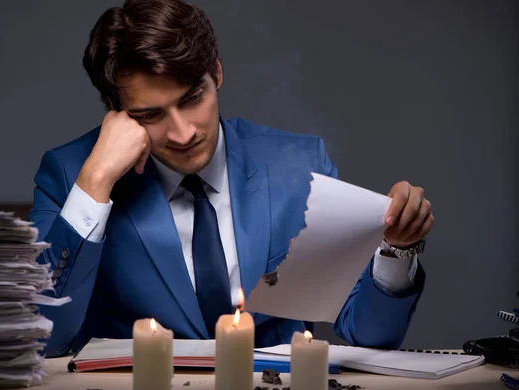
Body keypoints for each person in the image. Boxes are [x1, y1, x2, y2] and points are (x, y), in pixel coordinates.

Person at [30, 0, 434, 358]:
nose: (183, 133)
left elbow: (369, 335)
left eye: (192, 99)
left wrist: (395, 252)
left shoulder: (300, 168)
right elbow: (45, 338)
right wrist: (96, 181)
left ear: (217, 74)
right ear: (116, 113)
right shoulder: (71, 174)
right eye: (149, 115)